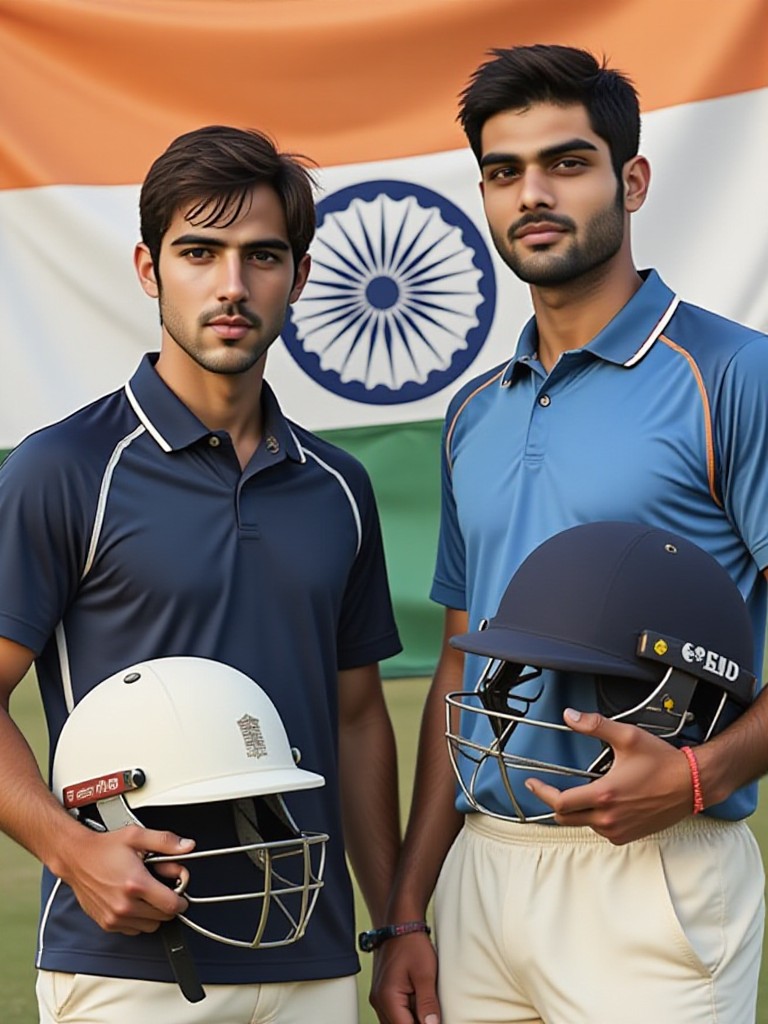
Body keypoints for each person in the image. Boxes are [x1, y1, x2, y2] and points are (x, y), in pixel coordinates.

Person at [369, 44, 768, 1024]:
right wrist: (409, 909)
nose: (532, 193)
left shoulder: (733, 375)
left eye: (566, 162)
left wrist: (694, 775)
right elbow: (462, 667)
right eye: (505, 173)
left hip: (655, 871)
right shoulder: (474, 414)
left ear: (631, 179)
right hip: (482, 876)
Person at [0, 125, 403, 1024]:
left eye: (262, 255)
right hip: (129, 962)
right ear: (149, 269)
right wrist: (71, 852)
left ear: (298, 276)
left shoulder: (340, 486)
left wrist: (398, 926)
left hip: (316, 954)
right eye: (199, 252)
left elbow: (358, 716)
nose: (231, 285)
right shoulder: (62, 468)